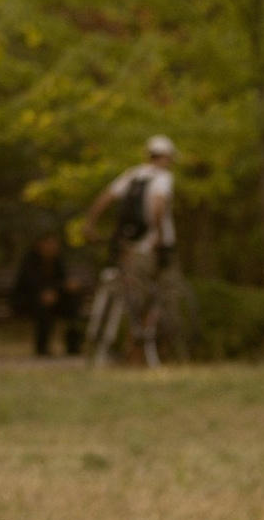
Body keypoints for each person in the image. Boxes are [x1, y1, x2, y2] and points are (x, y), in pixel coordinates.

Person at [85, 135, 180, 368]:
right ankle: (145, 353)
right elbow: (158, 204)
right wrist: (157, 233)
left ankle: (134, 353)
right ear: (167, 157)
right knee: (162, 296)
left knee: (134, 299)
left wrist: (89, 224)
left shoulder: (132, 175)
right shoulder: (163, 177)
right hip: (156, 247)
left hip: (131, 247)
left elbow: (105, 198)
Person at [10, 223, 83, 358]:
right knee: (43, 305)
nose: (52, 247)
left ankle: (73, 345)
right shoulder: (30, 260)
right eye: (48, 243)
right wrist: (47, 292)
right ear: (39, 245)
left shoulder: (57, 261)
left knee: (73, 302)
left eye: (54, 244)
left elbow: (62, 280)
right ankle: (42, 347)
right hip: (28, 300)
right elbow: (30, 284)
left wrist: (64, 288)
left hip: (54, 299)